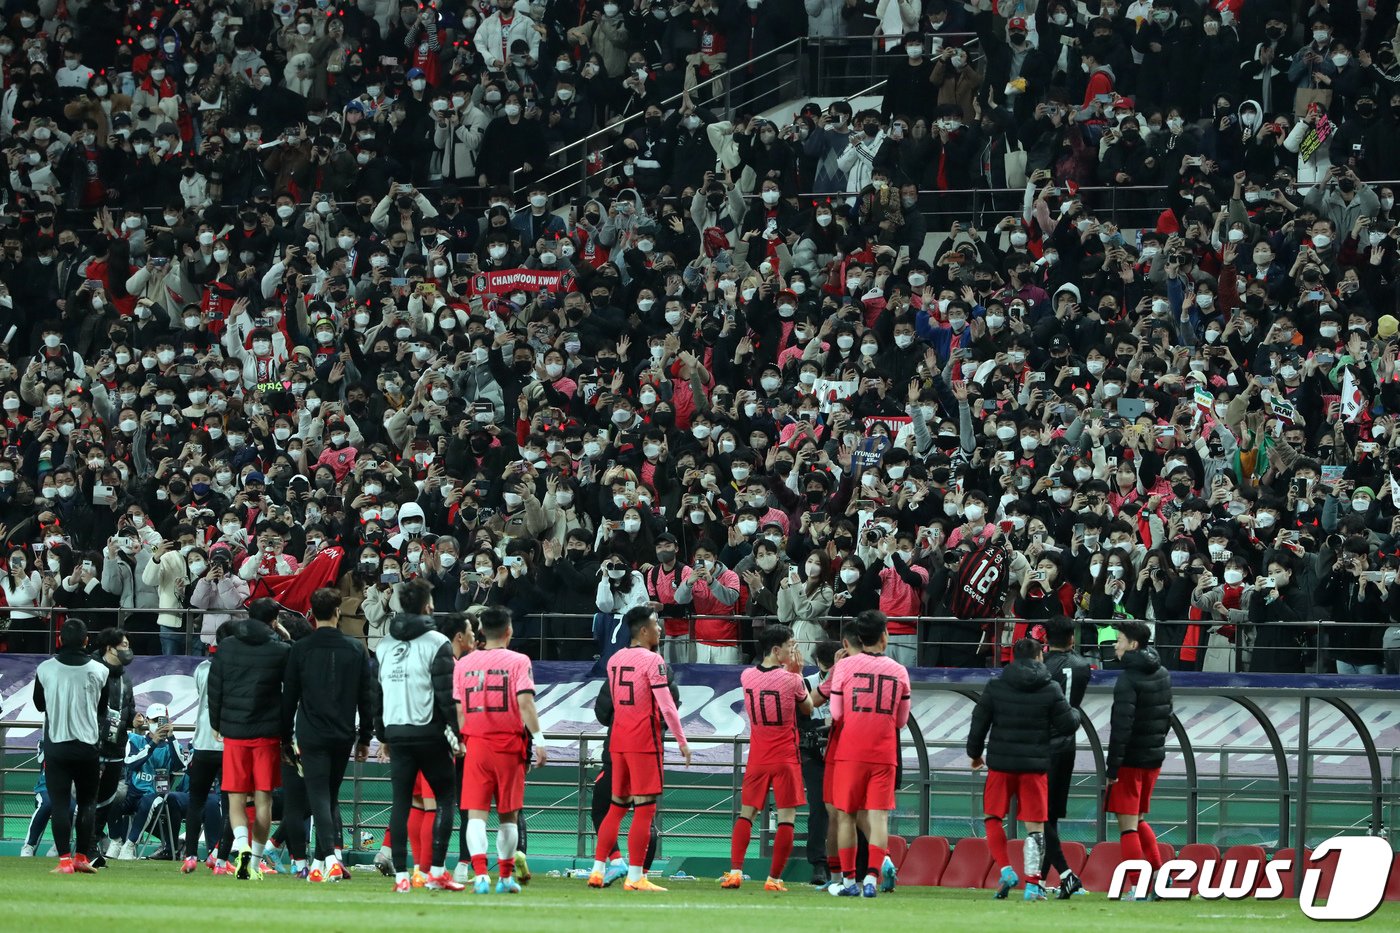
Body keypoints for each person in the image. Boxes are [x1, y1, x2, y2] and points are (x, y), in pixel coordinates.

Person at [966, 637, 1080, 901]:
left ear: (1013, 658)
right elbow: (1067, 725)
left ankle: (1006, 870)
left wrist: (974, 753)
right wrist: (1074, 711)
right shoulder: (1050, 688)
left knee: (994, 818)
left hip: (1001, 765)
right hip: (1035, 766)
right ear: (1040, 657)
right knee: (1036, 827)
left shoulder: (996, 686)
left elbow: (979, 721)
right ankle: (1032, 884)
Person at [588, 606, 692, 892]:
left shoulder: (615, 659)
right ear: (644, 630)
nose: (660, 630)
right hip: (643, 742)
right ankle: (636, 877)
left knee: (616, 808)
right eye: (656, 625)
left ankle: (598, 869)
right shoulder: (653, 661)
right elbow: (667, 705)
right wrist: (682, 741)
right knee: (645, 810)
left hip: (617, 742)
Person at [282, 588, 377, 883]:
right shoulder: (355, 648)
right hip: (343, 732)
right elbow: (367, 695)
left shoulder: (300, 649)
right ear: (337, 612)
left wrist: (285, 737)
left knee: (320, 795)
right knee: (330, 795)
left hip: (311, 732)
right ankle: (324, 860)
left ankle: (330, 860)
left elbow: (290, 698)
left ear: (312, 613)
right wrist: (365, 736)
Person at [375, 578, 463, 894]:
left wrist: (381, 734)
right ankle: (436, 872)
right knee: (444, 799)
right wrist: (455, 733)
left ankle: (402, 877)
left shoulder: (384, 645)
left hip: (396, 732)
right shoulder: (437, 642)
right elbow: (445, 694)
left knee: (401, 802)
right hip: (429, 733)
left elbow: (379, 695)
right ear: (427, 606)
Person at [454, 606, 548, 894]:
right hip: (509, 745)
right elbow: (525, 704)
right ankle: (505, 877)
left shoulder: (463, 663)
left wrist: (459, 741)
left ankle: (480, 875)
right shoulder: (519, 661)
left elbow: (458, 708)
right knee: (508, 815)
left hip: (476, 746)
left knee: (475, 815)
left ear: (481, 631)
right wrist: (540, 740)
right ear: (509, 631)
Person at [825, 610, 911, 898]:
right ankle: (872, 878)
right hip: (884, 752)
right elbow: (900, 721)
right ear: (884, 636)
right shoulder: (900, 671)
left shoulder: (846, 667)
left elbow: (836, 713)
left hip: (850, 751)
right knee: (878, 818)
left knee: (846, 815)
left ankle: (849, 881)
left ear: (859, 638)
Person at [721, 625, 813, 892]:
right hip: (785, 755)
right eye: (791, 645)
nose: (794, 650)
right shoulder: (792, 679)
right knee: (787, 818)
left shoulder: (747, 676)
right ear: (776, 650)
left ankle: (736, 871)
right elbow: (807, 708)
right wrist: (798, 673)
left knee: (746, 813)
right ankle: (774, 879)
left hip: (758, 755)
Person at [208, 597, 290, 881]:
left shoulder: (227, 646)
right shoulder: (281, 650)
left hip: (234, 731)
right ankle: (254, 861)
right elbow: (289, 692)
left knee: (235, 797)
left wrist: (216, 723)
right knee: (263, 799)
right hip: (267, 734)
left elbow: (214, 686)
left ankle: (240, 846)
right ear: (274, 620)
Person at [34, 617, 109, 874]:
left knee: (60, 804)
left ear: (60, 640)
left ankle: (64, 861)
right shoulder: (101, 671)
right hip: (88, 746)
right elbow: (102, 710)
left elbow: (39, 704)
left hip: (56, 745)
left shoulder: (45, 669)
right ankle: (81, 858)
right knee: (88, 803)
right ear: (87, 641)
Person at [1105, 620, 1174, 895]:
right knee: (1140, 819)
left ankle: (1138, 885)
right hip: (1153, 758)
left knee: (1127, 827)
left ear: (1133, 645)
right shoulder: (1163, 672)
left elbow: (1122, 727)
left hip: (1131, 761)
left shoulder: (1128, 679)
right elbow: (1167, 716)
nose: (1115, 644)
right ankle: (1160, 875)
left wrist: (1113, 768)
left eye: (1119, 639)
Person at [1039, 616, 1091, 898]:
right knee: (1052, 814)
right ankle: (1043, 879)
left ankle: (1066, 874)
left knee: (1040, 813)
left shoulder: (1042, 668)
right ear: (1072, 638)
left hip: (1043, 744)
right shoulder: (1084, 667)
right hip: (1068, 745)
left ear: (1047, 639)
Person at [114, 702, 192, 860]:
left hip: (157, 793)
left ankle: (129, 845)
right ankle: (114, 841)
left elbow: (180, 766)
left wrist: (172, 737)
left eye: (162, 720)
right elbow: (130, 763)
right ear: (148, 721)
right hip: (134, 791)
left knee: (148, 802)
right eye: (155, 720)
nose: (158, 724)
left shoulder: (171, 746)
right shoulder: (135, 739)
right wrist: (153, 743)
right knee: (113, 797)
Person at [181, 625, 229, 874]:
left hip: (201, 744)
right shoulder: (238, 669)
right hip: (227, 745)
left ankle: (189, 855)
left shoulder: (202, 668)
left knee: (195, 801)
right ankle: (218, 857)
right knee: (231, 803)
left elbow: (201, 695)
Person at [90, 627, 135, 866]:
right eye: (125, 645)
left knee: (108, 799)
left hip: (117, 747)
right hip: (95, 747)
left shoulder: (125, 676)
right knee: (90, 797)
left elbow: (129, 708)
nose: (128, 650)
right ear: (110, 648)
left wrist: (136, 720)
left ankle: (94, 839)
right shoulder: (93, 672)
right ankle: (84, 846)